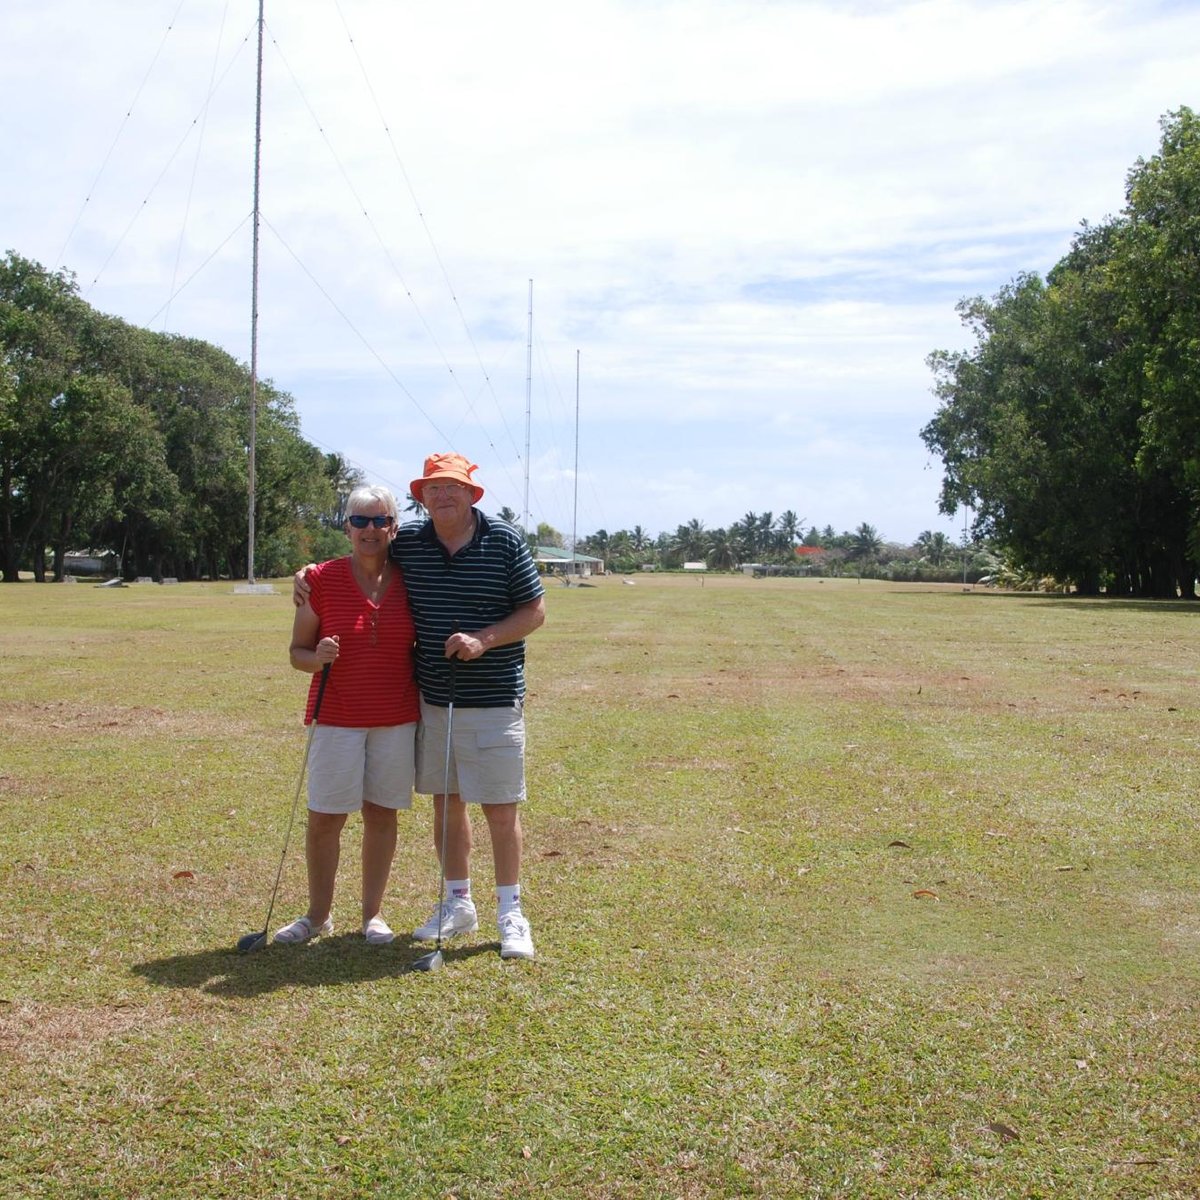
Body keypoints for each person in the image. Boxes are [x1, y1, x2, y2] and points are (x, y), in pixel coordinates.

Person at [295, 452, 546, 959]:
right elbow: (364, 556)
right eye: (434, 488)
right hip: (434, 699)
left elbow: (535, 611)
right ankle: (458, 902)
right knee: (447, 804)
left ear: (472, 493)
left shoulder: (502, 540)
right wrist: (307, 572)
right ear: (422, 497)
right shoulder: (409, 540)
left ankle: (510, 912)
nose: (443, 495)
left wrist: (484, 639)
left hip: (494, 697)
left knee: (499, 807)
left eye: (453, 486)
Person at [274, 485, 420, 947]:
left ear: (394, 527)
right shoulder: (319, 579)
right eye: (360, 521)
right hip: (336, 717)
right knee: (325, 818)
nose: (370, 530)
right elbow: (297, 653)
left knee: (381, 814)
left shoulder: (413, 575)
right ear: (346, 528)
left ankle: (372, 915)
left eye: (380, 521)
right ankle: (318, 916)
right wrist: (316, 656)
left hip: (396, 717)